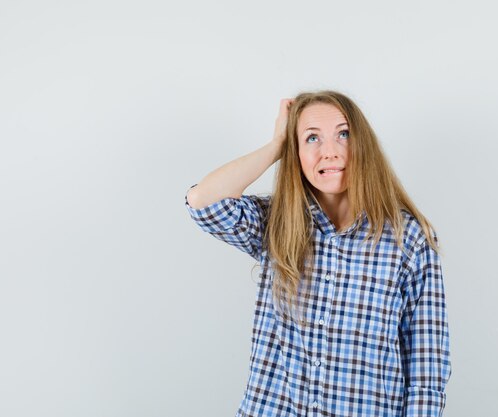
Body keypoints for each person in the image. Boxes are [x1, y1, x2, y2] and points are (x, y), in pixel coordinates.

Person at [185, 90, 452, 417]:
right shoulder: (278, 223)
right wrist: (275, 147)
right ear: (295, 151)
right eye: (312, 138)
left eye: (344, 134)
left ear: (362, 145)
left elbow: (427, 371)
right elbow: (203, 202)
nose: (330, 151)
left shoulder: (407, 239)